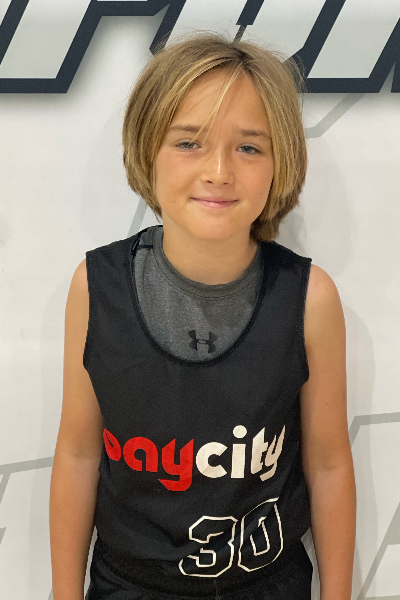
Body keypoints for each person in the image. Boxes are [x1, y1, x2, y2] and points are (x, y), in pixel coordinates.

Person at [49, 31, 356, 600]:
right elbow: (78, 454)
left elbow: (329, 464)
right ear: (147, 150)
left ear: (281, 162)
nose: (218, 170)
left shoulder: (310, 299)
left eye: (249, 148)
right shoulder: (95, 287)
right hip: (129, 585)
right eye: (189, 142)